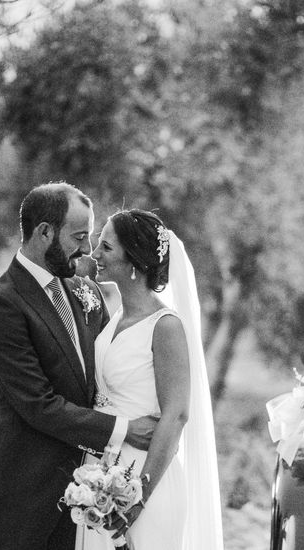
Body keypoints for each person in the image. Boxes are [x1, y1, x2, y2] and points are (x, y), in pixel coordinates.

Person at [0, 183, 158, 550]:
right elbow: (38, 405)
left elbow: (108, 373)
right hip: (28, 488)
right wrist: (124, 430)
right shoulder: (0, 304)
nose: (88, 250)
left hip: (91, 492)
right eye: (79, 236)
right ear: (44, 232)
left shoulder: (83, 290)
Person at [78, 209, 223, 550]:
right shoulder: (114, 319)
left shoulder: (165, 326)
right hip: (99, 477)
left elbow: (176, 416)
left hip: (145, 479)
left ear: (136, 262)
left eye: (106, 248)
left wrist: (136, 498)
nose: (94, 254)